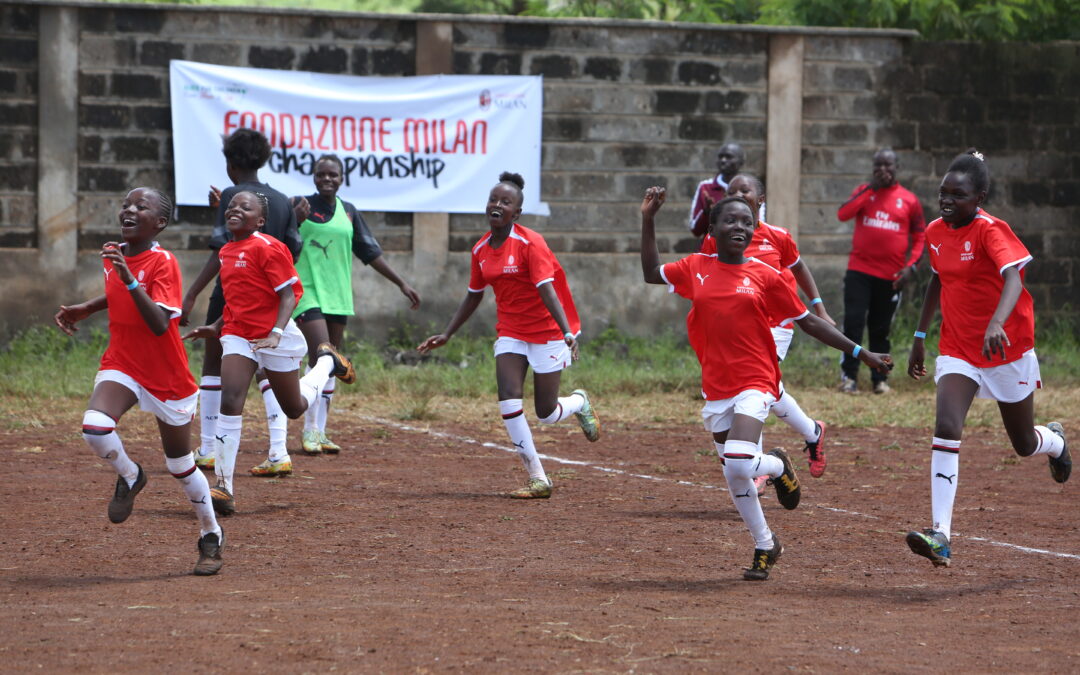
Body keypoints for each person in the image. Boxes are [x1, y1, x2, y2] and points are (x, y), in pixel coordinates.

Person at [641, 187, 891, 580]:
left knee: (741, 459)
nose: (740, 226)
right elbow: (650, 273)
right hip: (716, 386)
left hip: (757, 379)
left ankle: (777, 465)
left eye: (747, 221)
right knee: (733, 473)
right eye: (731, 220)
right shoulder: (696, 266)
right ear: (713, 227)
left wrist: (862, 353)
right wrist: (648, 219)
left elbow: (807, 322)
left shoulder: (767, 275)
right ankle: (765, 544)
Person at [905, 149, 1069, 568]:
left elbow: (1013, 277)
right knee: (946, 424)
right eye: (942, 193)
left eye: (957, 195)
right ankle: (941, 534)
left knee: (1022, 443)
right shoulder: (937, 231)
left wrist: (997, 322)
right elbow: (936, 281)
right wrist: (921, 335)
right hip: (959, 347)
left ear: (979, 197)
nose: (946, 201)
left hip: (1006, 347)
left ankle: (1053, 443)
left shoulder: (991, 231)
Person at [53, 187, 224, 576]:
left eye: (140, 207)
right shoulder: (115, 254)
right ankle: (131, 475)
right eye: (126, 204)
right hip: (124, 362)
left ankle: (210, 533)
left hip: (167, 374)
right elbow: (119, 294)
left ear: (159, 223)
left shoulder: (164, 263)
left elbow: (162, 322)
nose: (129, 209)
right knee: (95, 427)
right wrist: (87, 307)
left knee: (180, 465)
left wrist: (130, 279)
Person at [417, 172, 599, 499]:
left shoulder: (531, 244)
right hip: (512, 332)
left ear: (517, 213)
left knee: (546, 414)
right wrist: (447, 333)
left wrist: (567, 331)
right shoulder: (480, 250)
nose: (497, 204)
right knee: (508, 398)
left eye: (506, 201)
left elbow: (547, 289)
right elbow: (474, 294)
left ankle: (578, 402)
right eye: (493, 199)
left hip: (549, 331)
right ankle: (538, 478)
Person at [184, 191, 356, 516]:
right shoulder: (225, 251)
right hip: (238, 335)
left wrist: (276, 333)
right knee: (230, 398)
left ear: (260, 220)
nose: (235, 210)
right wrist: (216, 326)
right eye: (231, 206)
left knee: (294, 407)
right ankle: (223, 486)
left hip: (274, 335)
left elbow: (289, 295)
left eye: (244, 207)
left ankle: (326, 364)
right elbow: (238, 299)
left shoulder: (269, 247)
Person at [278, 154, 421, 466]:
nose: (327, 179)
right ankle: (309, 430)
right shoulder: (299, 206)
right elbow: (279, 241)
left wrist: (401, 284)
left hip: (337, 295)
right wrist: (293, 218)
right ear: (313, 177)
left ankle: (322, 430)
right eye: (321, 174)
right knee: (321, 356)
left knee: (333, 365)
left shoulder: (350, 212)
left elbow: (370, 252)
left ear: (341, 178)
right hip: (308, 291)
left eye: (333, 174)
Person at [180, 128, 303, 475]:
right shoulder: (282, 198)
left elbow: (220, 248)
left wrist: (191, 294)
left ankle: (206, 447)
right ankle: (277, 450)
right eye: (231, 208)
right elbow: (294, 247)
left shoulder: (234, 194)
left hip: (235, 293)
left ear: (231, 163)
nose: (235, 209)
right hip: (270, 295)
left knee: (215, 366)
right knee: (265, 368)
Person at [701, 174, 834, 478]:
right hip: (739, 327)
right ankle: (812, 431)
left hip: (776, 324)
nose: (737, 194)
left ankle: (756, 465)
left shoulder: (777, 236)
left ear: (760, 201)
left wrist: (819, 308)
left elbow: (799, 268)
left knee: (753, 383)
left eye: (744, 190)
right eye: (731, 191)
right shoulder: (716, 237)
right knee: (761, 388)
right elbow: (706, 275)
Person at [836, 147, 926, 394]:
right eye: (878, 165)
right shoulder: (864, 192)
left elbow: (920, 236)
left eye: (888, 165)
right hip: (859, 272)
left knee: (880, 328)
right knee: (853, 325)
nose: (883, 170)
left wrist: (912, 267)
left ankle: (880, 379)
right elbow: (843, 213)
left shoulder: (909, 200)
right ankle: (849, 377)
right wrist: (871, 189)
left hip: (891, 277)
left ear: (897, 168)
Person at [688, 142, 751, 238]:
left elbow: (758, 226)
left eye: (729, 157)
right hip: (711, 250)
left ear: (741, 162)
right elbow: (695, 230)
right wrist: (707, 212)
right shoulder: (705, 187)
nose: (723, 160)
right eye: (720, 157)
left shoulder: (750, 189)